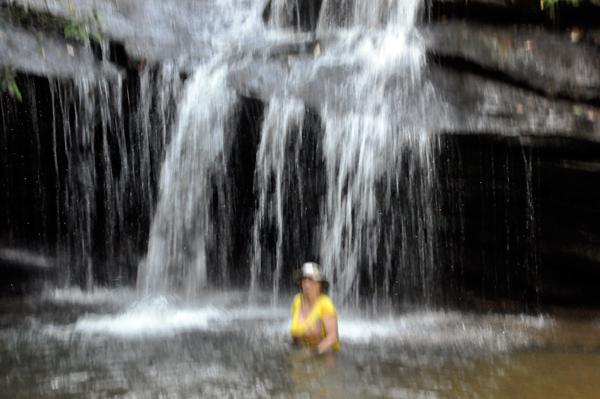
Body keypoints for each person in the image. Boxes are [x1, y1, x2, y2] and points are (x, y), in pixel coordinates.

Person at [290, 262, 340, 354]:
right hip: (301, 354)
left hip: (325, 357)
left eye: (311, 279)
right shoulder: (297, 301)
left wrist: (313, 353)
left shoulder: (325, 304)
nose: (306, 283)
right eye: (304, 279)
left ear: (319, 284)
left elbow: (332, 337)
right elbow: (296, 332)